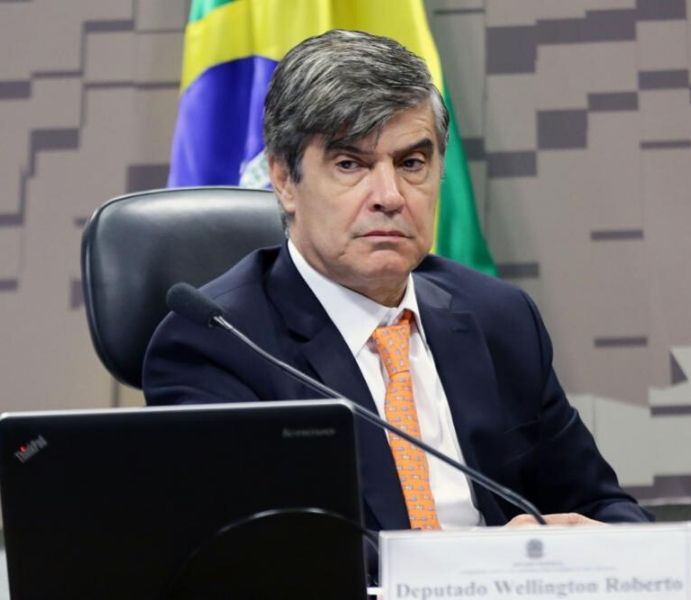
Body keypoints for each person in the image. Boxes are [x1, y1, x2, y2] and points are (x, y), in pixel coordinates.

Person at [144, 30, 651, 537]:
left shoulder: (499, 317)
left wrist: (614, 545)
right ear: (283, 179)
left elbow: (601, 503)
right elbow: (273, 554)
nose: (390, 196)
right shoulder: (218, 346)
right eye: (350, 164)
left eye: (412, 163)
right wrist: (487, 562)